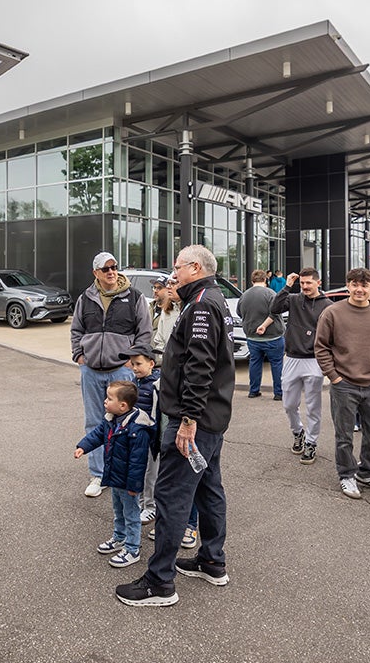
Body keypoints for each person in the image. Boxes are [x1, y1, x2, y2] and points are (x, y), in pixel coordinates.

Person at [116, 244, 235, 607]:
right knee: (208, 487)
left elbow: (200, 367)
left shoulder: (201, 303)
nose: (173, 274)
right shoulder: (211, 297)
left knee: (172, 494)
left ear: (195, 268)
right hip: (210, 417)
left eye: (178, 267)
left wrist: (187, 421)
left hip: (195, 420)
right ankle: (212, 560)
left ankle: (159, 581)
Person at [70, 251, 152, 498]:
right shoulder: (86, 298)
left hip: (121, 371)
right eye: (105, 268)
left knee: (127, 424)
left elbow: (144, 332)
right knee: (95, 422)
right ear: (96, 272)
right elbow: (76, 329)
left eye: (114, 267)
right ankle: (98, 474)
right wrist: (80, 356)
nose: (111, 272)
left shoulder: (134, 297)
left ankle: (126, 473)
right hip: (92, 371)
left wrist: (132, 362)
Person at [314, 267, 370, 499]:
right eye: (354, 284)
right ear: (348, 286)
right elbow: (321, 347)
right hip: (344, 384)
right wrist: (334, 377)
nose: (359, 289)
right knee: (344, 436)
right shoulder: (333, 313)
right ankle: (347, 476)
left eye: (364, 285)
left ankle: (367, 472)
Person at [75, 380, 154, 568]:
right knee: (118, 512)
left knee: (131, 514)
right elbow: (97, 434)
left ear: (123, 405)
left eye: (109, 398)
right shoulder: (111, 419)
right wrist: (83, 447)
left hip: (128, 483)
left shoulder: (137, 429)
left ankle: (132, 548)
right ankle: (119, 538)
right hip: (114, 477)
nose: (104, 401)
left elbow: (138, 462)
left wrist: (135, 487)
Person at [262, 267, 332, 464]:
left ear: (319, 283)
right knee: (289, 404)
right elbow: (274, 309)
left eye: (309, 283)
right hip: (292, 358)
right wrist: (287, 286)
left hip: (314, 360)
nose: (305, 286)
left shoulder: (327, 305)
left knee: (313, 407)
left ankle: (311, 442)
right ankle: (298, 432)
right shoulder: (293, 299)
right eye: (302, 283)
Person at [121, 346, 161, 524]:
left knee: (151, 474)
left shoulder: (155, 385)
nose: (134, 367)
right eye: (132, 364)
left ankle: (151, 507)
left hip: (151, 440)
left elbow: (157, 415)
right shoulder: (134, 383)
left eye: (139, 363)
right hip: (136, 439)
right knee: (140, 471)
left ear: (151, 364)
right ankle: (143, 503)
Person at [237, 268, 283, 399]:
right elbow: (276, 312)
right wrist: (263, 325)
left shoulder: (244, 295)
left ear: (252, 281)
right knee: (276, 364)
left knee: (255, 363)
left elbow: (239, 312)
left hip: (252, 337)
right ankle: (278, 393)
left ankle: (253, 390)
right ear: (265, 280)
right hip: (273, 336)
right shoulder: (271, 293)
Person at [150, 276, 180, 365]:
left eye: (159, 288)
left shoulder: (190, 308)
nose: (169, 287)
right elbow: (159, 339)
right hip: (160, 363)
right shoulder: (164, 309)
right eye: (154, 287)